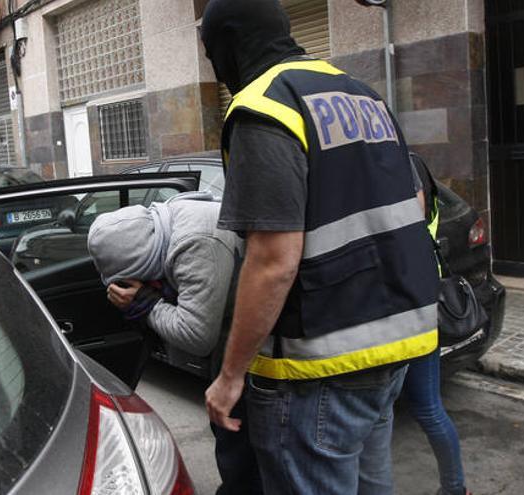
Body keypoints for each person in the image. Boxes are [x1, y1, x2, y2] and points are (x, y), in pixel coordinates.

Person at [200, 1, 441, 494]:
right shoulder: (362, 94)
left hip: (317, 368)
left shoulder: (264, 106)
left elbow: (273, 262)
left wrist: (229, 377)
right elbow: (412, 203)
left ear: (228, 44)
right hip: (394, 349)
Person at [87, 192, 260, 495]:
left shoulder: (194, 245)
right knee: (231, 431)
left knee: (238, 436)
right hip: (237, 329)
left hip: (259, 341)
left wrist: (146, 303)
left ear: (144, 260)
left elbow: (197, 337)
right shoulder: (165, 220)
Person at [406, 155, 472, 495]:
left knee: (426, 408)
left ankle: (455, 488)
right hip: (420, 296)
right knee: (425, 406)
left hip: (413, 301)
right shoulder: (413, 162)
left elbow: (411, 225)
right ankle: (455, 487)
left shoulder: (402, 163)